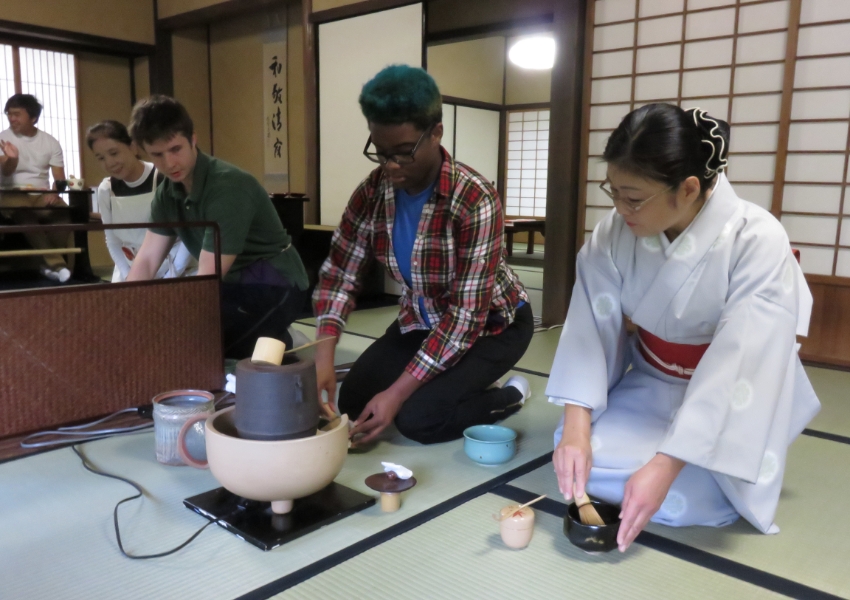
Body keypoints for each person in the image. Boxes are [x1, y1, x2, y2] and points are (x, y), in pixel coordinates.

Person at [547, 103, 820, 552]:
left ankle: (675, 472)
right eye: (612, 191)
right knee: (578, 455)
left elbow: (741, 363)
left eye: (633, 198)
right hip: (654, 378)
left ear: (689, 188)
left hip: (733, 399)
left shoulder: (757, 240)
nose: (618, 208)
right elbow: (588, 330)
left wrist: (666, 465)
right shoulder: (614, 233)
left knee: (692, 487)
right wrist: (576, 430)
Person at [313, 65, 533, 447]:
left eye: (403, 153)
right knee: (352, 402)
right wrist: (323, 358)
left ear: (436, 133)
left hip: (493, 325)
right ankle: (456, 382)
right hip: (422, 318)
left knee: (419, 419)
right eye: (381, 154)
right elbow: (340, 273)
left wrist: (397, 393)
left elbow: (466, 317)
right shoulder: (373, 192)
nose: (391, 167)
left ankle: (508, 395)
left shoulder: (473, 198)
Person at [125, 95, 309, 358]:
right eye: (157, 155)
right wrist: (127, 308)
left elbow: (209, 275)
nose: (169, 163)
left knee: (207, 349)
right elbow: (147, 258)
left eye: (175, 149)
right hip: (230, 285)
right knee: (174, 337)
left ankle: (282, 338)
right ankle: (269, 337)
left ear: (193, 139)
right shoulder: (167, 193)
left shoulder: (228, 186)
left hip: (274, 282)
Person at [86, 120, 196, 282]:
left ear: (132, 146)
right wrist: (127, 275)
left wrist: (172, 275)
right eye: (101, 158)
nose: (109, 163)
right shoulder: (106, 189)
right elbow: (112, 240)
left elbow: (189, 234)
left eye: (114, 153)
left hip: (175, 268)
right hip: (130, 268)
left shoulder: (163, 178)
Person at [0, 93, 71, 282]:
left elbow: (59, 178)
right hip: (10, 192)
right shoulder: (2, 139)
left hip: (41, 193)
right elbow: (6, 172)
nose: (11, 118)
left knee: (64, 214)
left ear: (33, 118)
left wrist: (55, 193)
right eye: (9, 114)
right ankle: (57, 264)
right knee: (24, 213)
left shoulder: (50, 142)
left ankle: (46, 265)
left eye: (16, 114)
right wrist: (12, 158)